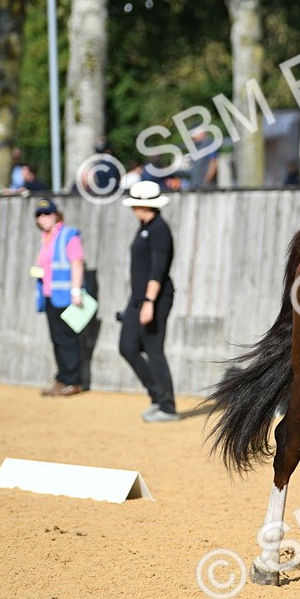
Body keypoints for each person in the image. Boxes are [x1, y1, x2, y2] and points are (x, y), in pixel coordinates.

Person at [119, 180, 178, 422]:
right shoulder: (145, 226)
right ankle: (156, 395)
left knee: (154, 350)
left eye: (135, 205)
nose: (132, 209)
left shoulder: (159, 230)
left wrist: (149, 302)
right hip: (138, 298)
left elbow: (158, 270)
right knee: (128, 347)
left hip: (155, 298)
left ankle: (167, 406)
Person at [32, 197, 86, 397]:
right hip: (49, 296)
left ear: (56, 214)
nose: (43, 217)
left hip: (66, 296)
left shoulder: (68, 235)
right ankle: (62, 378)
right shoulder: (46, 238)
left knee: (68, 340)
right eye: (39, 214)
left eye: (47, 213)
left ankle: (73, 381)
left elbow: (77, 262)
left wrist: (76, 290)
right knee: (57, 340)